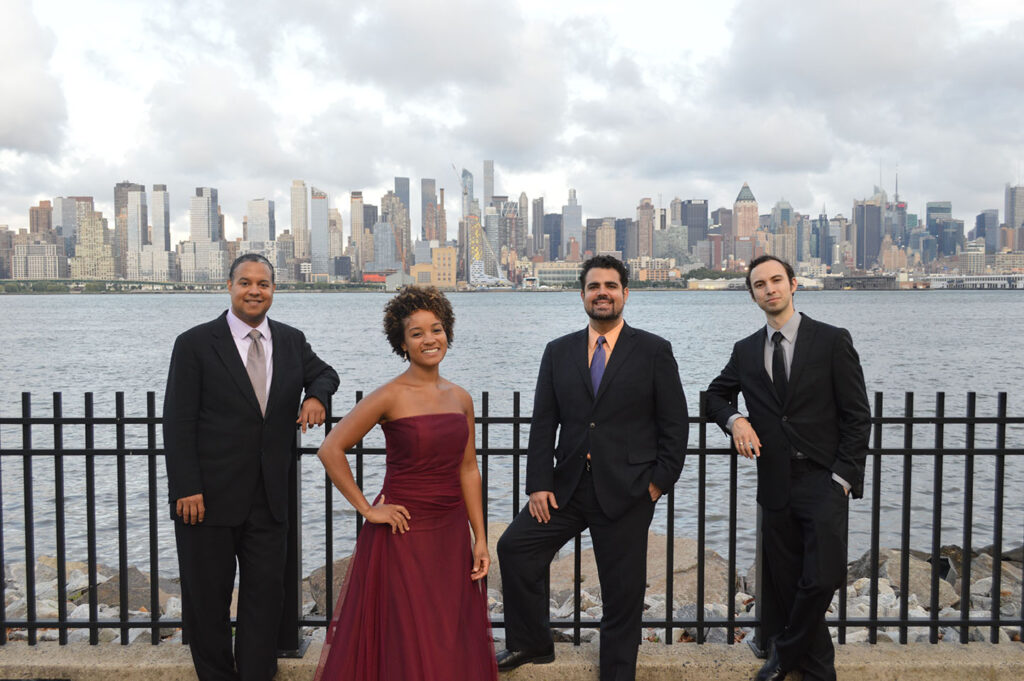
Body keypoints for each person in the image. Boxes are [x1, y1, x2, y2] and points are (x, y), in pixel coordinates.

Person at [495, 255, 688, 681]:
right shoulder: (558, 351)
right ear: (581, 294)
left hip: (628, 489)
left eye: (611, 286)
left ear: (625, 294)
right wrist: (538, 484)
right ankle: (531, 643)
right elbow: (544, 423)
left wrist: (658, 483)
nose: (603, 292)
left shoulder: (654, 350)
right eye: (594, 286)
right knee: (515, 548)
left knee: (622, 593)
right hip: (565, 488)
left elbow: (675, 424)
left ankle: (616, 673)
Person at [163, 253, 340, 681]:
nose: (254, 291)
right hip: (207, 499)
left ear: (274, 290)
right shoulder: (194, 344)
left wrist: (315, 397)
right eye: (245, 282)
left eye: (263, 284)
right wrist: (186, 487)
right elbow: (178, 421)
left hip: (268, 498)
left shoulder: (292, 340)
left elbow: (327, 374)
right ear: (229, 286)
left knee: (265, 598)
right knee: (208, 600)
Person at [313, 286, 497, 681]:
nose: (429, 339)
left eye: (436, 329)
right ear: (402, 342)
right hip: (403, 531)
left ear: (447, 332)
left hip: (449, 533)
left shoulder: (461, 398)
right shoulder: (389, 396)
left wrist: (479, 538)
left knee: (448, 632)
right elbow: (331, 449)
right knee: (407, 637)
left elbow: (468, 469)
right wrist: (367, 508)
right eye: (417, 333)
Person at [704, 255, 870, 681]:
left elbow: (857, 415)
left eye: (777, 280)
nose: (769, 289)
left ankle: (783, 653)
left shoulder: (832, 340)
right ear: (753, 294)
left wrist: (843, 478)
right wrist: (735, 420)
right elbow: (713, 397)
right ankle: (815, 671)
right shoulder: (745, 351)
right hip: (775, 483)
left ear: (793, 284)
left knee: (821, 577)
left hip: (824, 479)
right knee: (786, 580)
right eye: (760, 284)